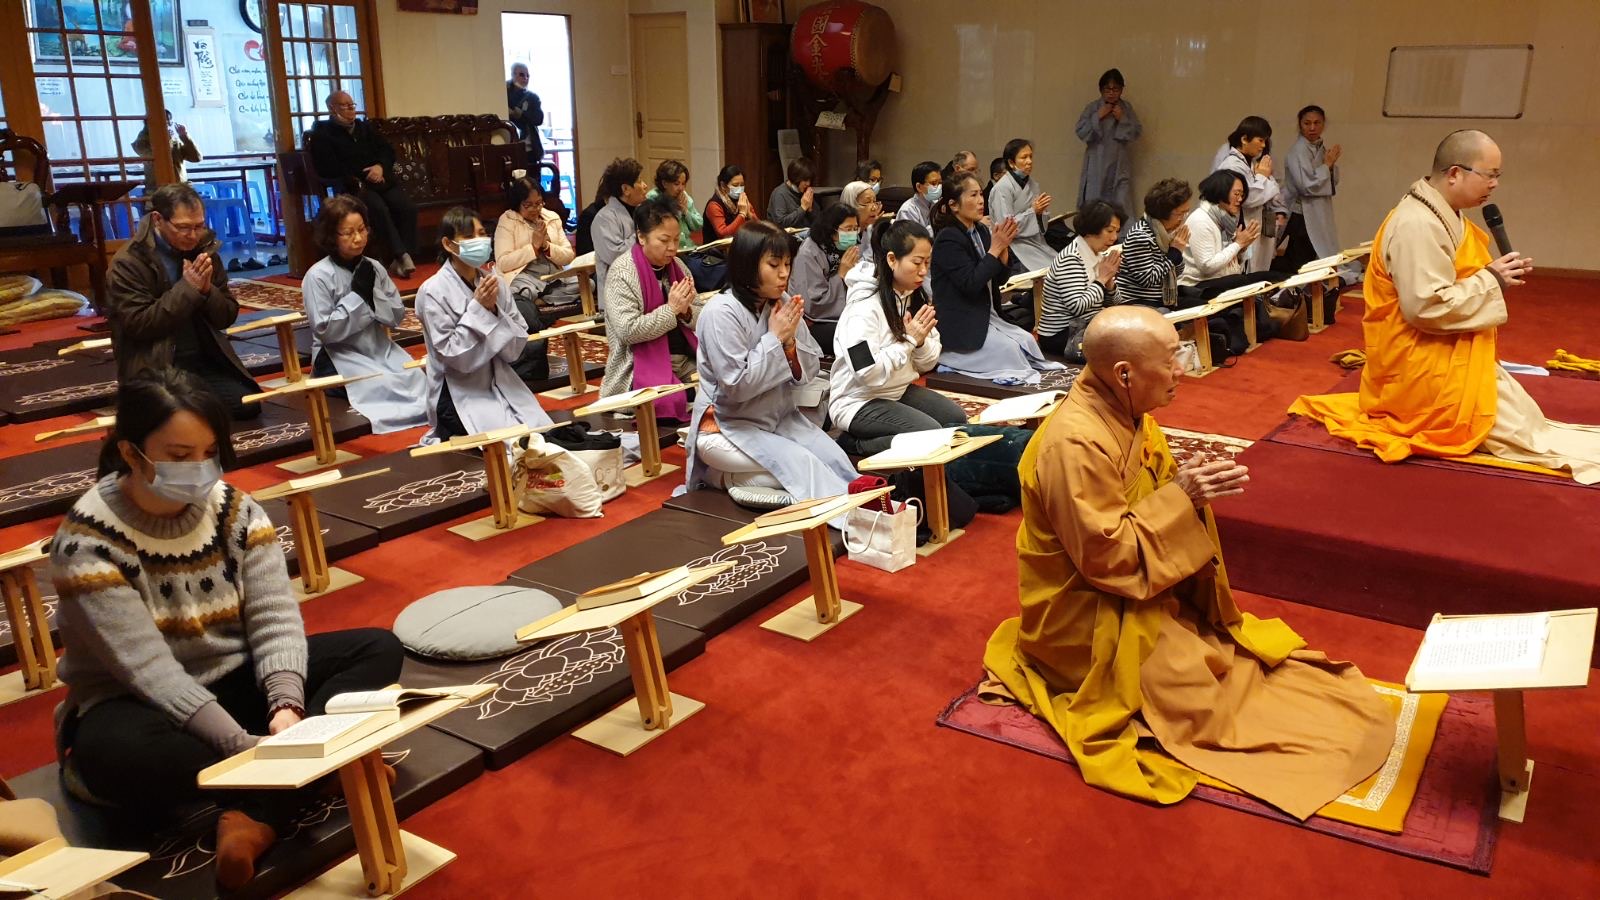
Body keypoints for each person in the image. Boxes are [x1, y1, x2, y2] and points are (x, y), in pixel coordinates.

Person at [981, 305, 1395, 820]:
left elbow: (1147, 497)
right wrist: (1181, 496)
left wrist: (1182, 491)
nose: (1183, 370)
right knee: (1197, 701)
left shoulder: (1126, 412)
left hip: (1140, 591)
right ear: (1124, 374)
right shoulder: (1074, 443)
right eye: (1171, 360)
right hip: (1088, 611)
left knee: (1219, 657)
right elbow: (1105, 558)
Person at [50, 369, 404, 891]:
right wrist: (244, 744)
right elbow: (150, 672)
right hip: (138, 705)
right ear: (131, 453)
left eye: (208, 453)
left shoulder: (235, 510)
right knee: (118, 754)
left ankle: (255, 810)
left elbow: (274, 618)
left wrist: (286, 706)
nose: (199, 469)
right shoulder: (87, 543)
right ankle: (314, 776)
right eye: (179, 455)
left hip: (236, 682)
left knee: (377, 648)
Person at [1292, 131, 1599, 483]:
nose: (1495, 184)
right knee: (1516, 434)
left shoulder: (1441, 213)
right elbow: (1425, 307)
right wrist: (1491, 279)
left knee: (1524, 420)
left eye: (1498, 175)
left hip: (1441, 352)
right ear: (1455, 173)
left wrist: (1493, 276)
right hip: (1418, 366)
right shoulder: (1417, 224)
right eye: (1490, 174)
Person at [685, 221, 858, 503]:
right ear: (747, 265)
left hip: (778, 421)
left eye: (787, 264)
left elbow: (810, 369)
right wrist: (775, 338)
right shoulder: (720, 313)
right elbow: (736, 387)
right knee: (803, 469)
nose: (784, 273)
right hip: (726, 429)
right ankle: (720, 477)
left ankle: (866, 506)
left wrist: (789, 345)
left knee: (833, 460)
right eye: (774, 265)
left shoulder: (781, 302)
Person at [104, 183, 260, 420]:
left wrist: (207, 291)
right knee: (178, 415)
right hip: (156, 366)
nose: (193, 235)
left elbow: (226, 316)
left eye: (199, 226)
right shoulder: (129, 262)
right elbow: (139, 324)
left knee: (247, 404)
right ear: (158, 219)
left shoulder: (204, 250)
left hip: (204, 359)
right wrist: (188, 289)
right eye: (184, 228)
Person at [415, 206, 552, 442]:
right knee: (509, 441)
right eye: (469, 236)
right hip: (457, 389)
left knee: (540, 432)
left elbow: (517, 346)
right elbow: (452, 356)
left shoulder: (493, 282)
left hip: (501, 379)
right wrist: (479, 310)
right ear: (448, 244)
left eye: (481, 234)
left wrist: (495, 311)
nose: (478, 241)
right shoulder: (432, 291)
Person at [830, 220, 964, 456]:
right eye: (917, 262)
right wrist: (908, 342)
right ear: (892, 260)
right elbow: (866, 373)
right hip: (858, 400)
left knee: (955, 420)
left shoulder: (913, 297)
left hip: (896, 391)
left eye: (927, 263)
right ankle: (854, 444)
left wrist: (919, 343)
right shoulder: (862, 308)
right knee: (931, 435)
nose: (923, 271)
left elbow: (929, 363)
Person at [301, 195, 429, 433]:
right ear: (331, 236)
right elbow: (325, 331)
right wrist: (358, 296)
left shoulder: (374, 267)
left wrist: (373, 295)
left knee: (416, 378)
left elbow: (396, 316)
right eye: (348, 233)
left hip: (377, 347)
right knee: (383, 383)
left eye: (361, 229)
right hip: (338, 354)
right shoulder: (317, 276)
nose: (358, 238)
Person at [929, 172, 1066, 383]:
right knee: (1010, 350)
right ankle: (950, 360)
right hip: (962, 320)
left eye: (980, 194)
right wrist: (995, 250)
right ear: (954, 205)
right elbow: (971, 284)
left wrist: (1003, 254)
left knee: (1027, 341)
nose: (980, 201)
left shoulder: (982, 231)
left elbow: (999, 281)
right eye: (973, 195)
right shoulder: (948, 238)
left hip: (987, 313)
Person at [601, 198, 703, 425]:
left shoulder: (678, 266)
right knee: (671, 400)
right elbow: (628, 331)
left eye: (676, 239)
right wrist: (671, 310)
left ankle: (688, 391)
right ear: (641, 236)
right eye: (664, 240)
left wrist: (686, 313)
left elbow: (700, 314)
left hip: (683, 357)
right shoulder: (622, 273)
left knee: (725, 381)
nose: (673, 247)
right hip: (638, 365)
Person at [309, 91, 417, 277]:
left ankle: (405, 255)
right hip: (354, 186)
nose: (351, 110)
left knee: (407, 208)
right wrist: (360, 175)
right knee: (378, 209)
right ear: (332, 109)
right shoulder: (322, 133)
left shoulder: (364, 128)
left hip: (380, 180)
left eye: (352, 105)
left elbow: (387, 151)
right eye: (345, 106)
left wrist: (380, 167)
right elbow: (328, 167)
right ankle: (400, 255)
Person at [1276, 105, 1356, 286]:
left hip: (1316, 211)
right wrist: (1326, 166)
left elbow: (1331, 180)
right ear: (1300, 124)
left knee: (1311, 253)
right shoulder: (1298, 151)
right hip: (1300, 212)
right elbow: (1306, 185)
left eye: (1317, 123)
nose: (1312, 128)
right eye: (1307, 123)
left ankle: (1305, 290)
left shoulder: (1319, 147)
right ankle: (1291, 291)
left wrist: (1329, 165)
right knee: (1299, 259)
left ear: (1323, 124)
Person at [1039, 201, 1124, 357]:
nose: (1114, 237)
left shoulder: (1099, 254)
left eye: (1117, 231)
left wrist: (1109, 282)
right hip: (1064, 333)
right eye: (1109, 231)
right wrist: (1102, 279)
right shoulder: (1071, 258)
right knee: (1125, 345)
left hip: (1088, 325)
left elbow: (1116, 303)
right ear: (1091, 229)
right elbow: (1077, 307)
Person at [1178, 170, 1275, 298]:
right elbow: (1207, 266)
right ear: (1220, 192)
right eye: (1236, 194)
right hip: (1196, 286)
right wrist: (1238, 244)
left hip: (1218, 280)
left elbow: (1234, 264)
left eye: (1242, 195)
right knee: (1246, 282)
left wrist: (1242, 249)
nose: (1240, 199)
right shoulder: (1200, 220)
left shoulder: (1225, 219)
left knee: (1270, 277)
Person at [494, 174, 577, 307]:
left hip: (554, 276)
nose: (536, 209)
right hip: (526, 277)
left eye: (539, 203)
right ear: (517, 203)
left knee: (586, 285)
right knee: (521, 292)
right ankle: (545, 298)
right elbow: (503, 263)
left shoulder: (552, 217)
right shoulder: (507, 220)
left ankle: (540, 301)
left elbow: (568, 256)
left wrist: (546, 246)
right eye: (528, 205)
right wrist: (533, 247)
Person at [1215, 116, 1282, 273]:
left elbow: (1275, 192)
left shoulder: (1249, 163)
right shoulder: (1232, 165)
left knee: (1258, 272)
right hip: (1240, 228)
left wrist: (1263, 178)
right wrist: (1262, 177)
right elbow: (1250, 198)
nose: (1263, 145)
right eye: (1260, 140)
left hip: (1254, 225)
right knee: (1246, 273)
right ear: (1244, 139)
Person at [791, 201, 860, 349]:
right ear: (831, 229)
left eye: (855, 229)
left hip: (846, 311)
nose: (853, 234)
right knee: (854, 334)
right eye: (848, 229)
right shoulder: (808, 253)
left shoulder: (844, 246)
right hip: (812, 321)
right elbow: (813, 303)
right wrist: (841, 274)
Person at [646, 159, 722, 292]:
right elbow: (662, 227)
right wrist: (677, 210)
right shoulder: (652, 199)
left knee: (721, 265)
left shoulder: (684, 197)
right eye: (676, 184)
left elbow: (698, 225)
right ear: (664, 183)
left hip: (690, 250)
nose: (681, 188)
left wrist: (685, 210)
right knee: (705, 274)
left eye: (683, 184)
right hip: (672, 252)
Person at [1118, 178, 1194, 309]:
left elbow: (1177, 271)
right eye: (1180, 213)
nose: (1183, 219)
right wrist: (1174, 252)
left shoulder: (1164, 234)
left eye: (1186, 213)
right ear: (1164, 212)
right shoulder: (1140, 236)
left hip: (1162, 298)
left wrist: (1178, 252)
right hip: (1140, 302)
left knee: (1210, 308)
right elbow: (1147, 280)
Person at [1074, 68, 1142, 214]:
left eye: (1115, 89)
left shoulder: (1126, 108)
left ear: (1121, 90)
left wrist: (1122, 119)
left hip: (1119, 161)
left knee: (1120, 199)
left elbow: (1136, 132)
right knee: (1094, 200)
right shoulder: (1093, 108)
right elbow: (1081, 131)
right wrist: (1098, 116)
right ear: (1101, 90)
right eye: (1107, 89)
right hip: (1096, 160)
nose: (1111, 93)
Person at [987, 138, 1056, 271]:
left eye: (1030, 156)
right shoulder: (1002, 188)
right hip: (1013, 247)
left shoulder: (1033, 184)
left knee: (1061, 268)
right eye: (1024, 157)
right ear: (1011, 163)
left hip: (1035, 242)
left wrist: (1040, 213)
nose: (1029, 161)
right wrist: (1033, 211)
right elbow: (1005, 227)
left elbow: (1040, 224)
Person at [591, 157, 650, 310]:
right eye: (640, 181)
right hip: (617, 296)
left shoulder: (641, 211)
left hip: (644, 285)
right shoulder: (604, 218)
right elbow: (614, 255)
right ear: (626, 189)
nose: (645, 185)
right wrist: (643, 233)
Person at [132, 109, 200, 187]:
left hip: (180, 188)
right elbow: (158, 157)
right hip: (158, 190)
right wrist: (166, 140)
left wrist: (184, 136)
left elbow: (196, 158)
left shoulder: (174, 141)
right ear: (150, 123)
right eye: (164, 122)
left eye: (169, 123)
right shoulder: (142, 142)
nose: (167, 126)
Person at [704, 164, 757, 239]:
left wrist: (750, 215)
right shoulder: (714, 205)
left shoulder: (742, 200)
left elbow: (759, 229)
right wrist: (742, 214)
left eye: (742, 185)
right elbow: (723, 234)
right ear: (723, 185)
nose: (739, 188)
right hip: (718, 246)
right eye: (735, 185)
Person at [506, 63, 544, 162]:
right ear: (513, 75)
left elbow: (539, 119)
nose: (525, 78)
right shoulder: (504, 93)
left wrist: (520, 114)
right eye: (521, 75)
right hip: (510, 146)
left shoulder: (532, 97)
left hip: (530, 149)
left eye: (528, 76)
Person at [767, 158, 816, 229]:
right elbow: (780, 223)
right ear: (796, 177)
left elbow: (819, 222)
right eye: (805, 180)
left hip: (806, 232)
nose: (808, 183)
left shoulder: (806, 191)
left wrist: (810, 210)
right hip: (785, 234)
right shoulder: (779, 194)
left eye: (810, 180)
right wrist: (803, 208)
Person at [893, 160, 942, 231]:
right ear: (919, 187)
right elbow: (912, 236)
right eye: (933, 183)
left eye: (940, 183)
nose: (939, 187)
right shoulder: (908, 210)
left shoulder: (936, 204)